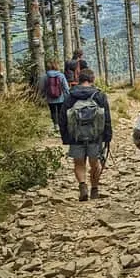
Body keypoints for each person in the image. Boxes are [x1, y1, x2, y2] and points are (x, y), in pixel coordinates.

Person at [59, 69, 112, 202]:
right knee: (95, 163)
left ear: (79, 79)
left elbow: (62, 119)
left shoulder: (70, 96)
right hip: (95, 136)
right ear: (92, 79)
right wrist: (107, 136)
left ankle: (83, 186)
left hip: (76, 136)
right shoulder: (99, 95)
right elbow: (106, 118)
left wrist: (66, 137)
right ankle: (94, 189)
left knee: (79, 163)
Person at [38, 60, 70, 132]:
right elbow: (66, 87)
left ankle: (55, 125)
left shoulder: (45, 76)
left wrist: (42, 96)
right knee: (60, 111)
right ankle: (62, 125)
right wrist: (68, 95)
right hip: (60, 97)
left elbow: (42, 87)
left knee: (52, 111)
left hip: (49, 97)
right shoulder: (61, 75)